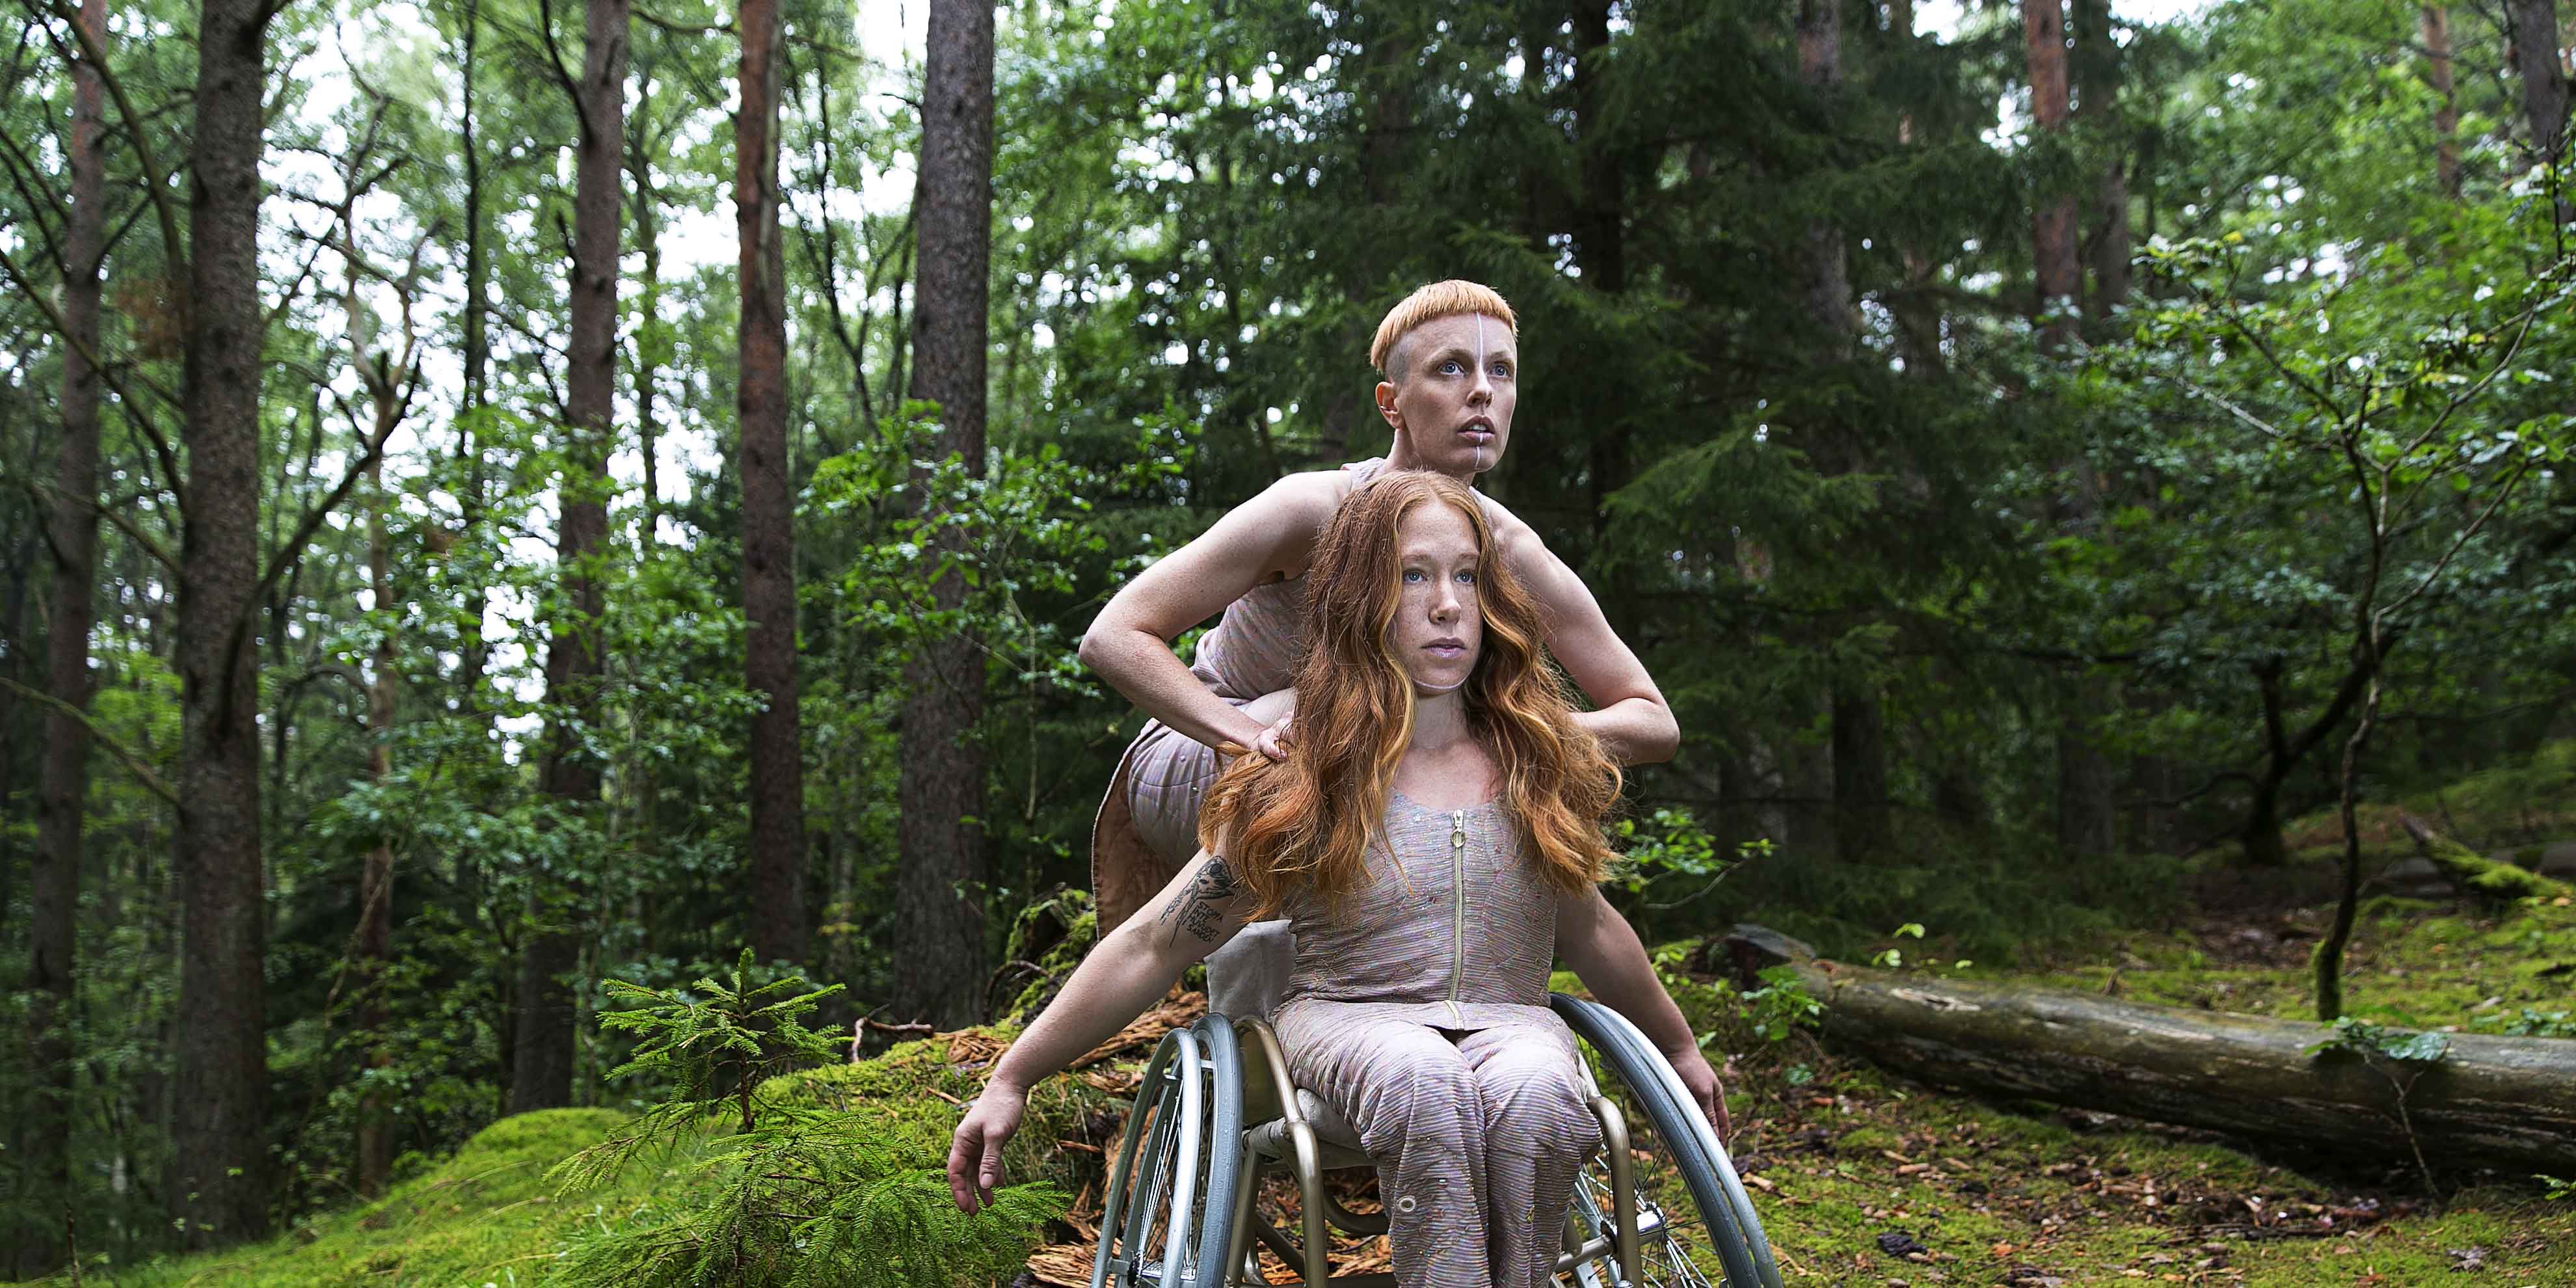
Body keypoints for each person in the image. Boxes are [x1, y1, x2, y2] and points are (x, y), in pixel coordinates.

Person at [950, 474, 1723, 1288]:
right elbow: (1155, 943)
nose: (1449, 604)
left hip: (1510, 1017)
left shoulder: (1535, 765)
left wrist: (1676, 1044)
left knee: (1539, 1091)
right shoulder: (1313, 772)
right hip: (1349, 1016)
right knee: (1421, 1080)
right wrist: (1014, 1075)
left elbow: (1592, 929)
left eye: (1466, 576)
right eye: (1413, 575)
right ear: (1360, 599)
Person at [1082, 279, 1685, 1030]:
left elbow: (1652, 722)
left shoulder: (1507, 547)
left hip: (1367, 765)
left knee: (1430, 736)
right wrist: (1237, 731)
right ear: (1390, 403)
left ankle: (1423, 1033)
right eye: (1451, 369)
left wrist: (1501, 732)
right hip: (1210, 752)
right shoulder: (1313, 509)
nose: (1481, 394)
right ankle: (1261, 1044)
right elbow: (1114, 636)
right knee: (1325, 720)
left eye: (1501, 372)